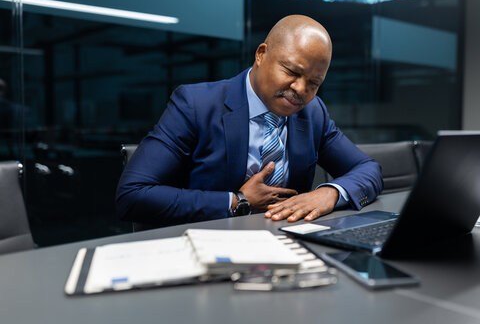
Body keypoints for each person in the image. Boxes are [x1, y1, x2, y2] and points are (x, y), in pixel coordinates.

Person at [116, 15, 383, 226]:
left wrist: (330, 193)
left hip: (288, 246)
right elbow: (133, 195)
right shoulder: (196, 105)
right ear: (261, 54)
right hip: (209, 246)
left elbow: (368, 169)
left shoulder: (313, 113)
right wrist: (237, 201)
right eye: (291, 71)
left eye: (314, 82)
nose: (301, 89)